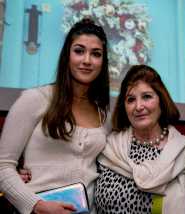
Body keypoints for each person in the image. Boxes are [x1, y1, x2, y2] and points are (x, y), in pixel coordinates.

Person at [0, 18, 110, 214]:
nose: (86, 60)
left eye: (96, 54)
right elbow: (2, 166)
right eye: (79, 51)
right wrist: (38, 205)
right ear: (67, 55)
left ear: (103, 62)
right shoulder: (34, 99)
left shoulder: (104, 114)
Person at [94, 64, 185, 214]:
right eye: (131, 99)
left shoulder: (183, 152)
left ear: (161, 101)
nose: (138, 106)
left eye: (147, 97)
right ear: (124, 106)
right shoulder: (109, 148)